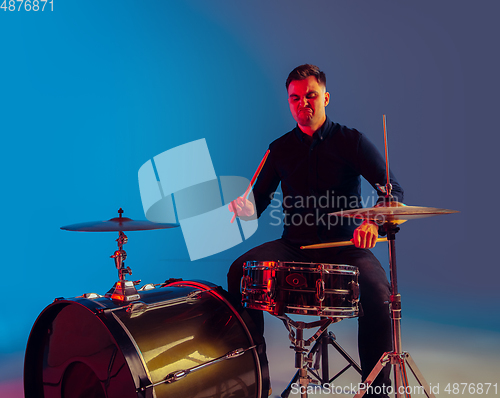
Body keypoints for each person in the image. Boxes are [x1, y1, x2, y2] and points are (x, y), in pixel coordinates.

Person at [228, 64, 403, 398]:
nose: (303, 103)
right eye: (295, 98)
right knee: (240, 271)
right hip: (294, 246)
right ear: (289, 101)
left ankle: (376, 392)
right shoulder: (279, 148)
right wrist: (246, 208)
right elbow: (258, 202)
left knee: (380, 297)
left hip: (346, 248)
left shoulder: (351, 141)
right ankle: (253, 376)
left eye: (310, 95)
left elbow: (392, 190)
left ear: (325, 96)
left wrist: (371, 222)